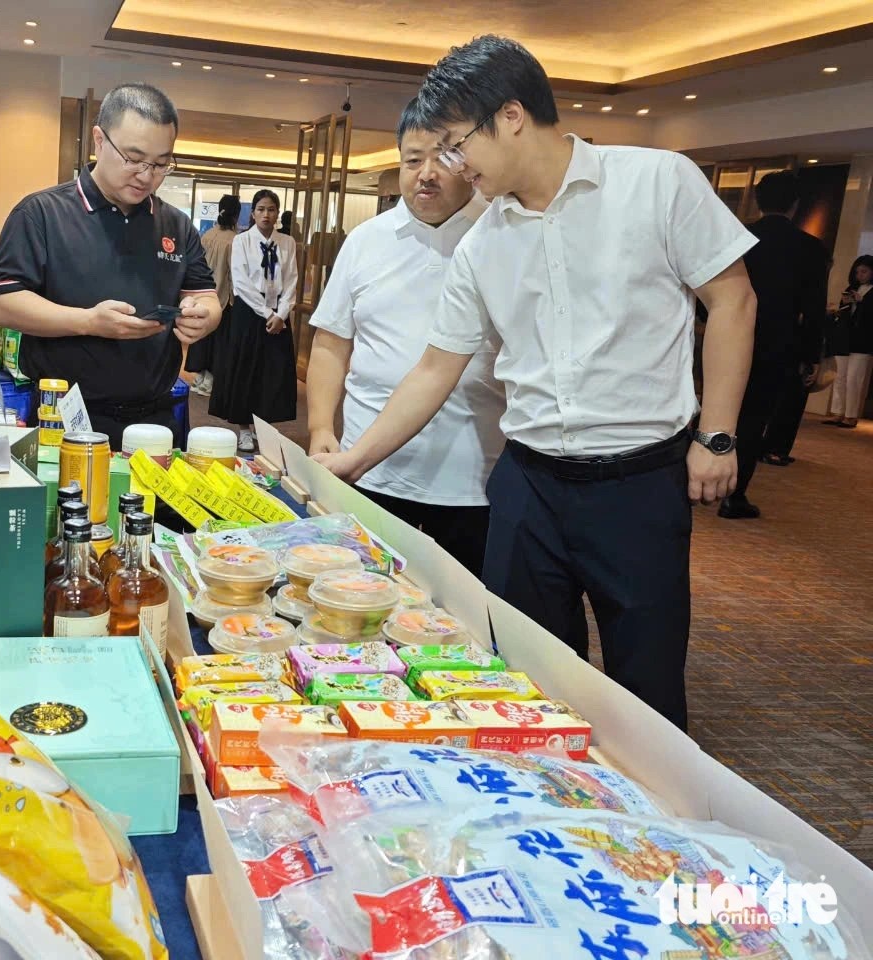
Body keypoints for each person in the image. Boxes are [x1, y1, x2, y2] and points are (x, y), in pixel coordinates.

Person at [314, 35, 758, 731]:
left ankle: (651, 832)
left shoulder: (656, 182)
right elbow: (435, 369)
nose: (454, 166)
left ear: (512, 116)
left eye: (459, 144)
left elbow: (732, 299)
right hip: (526, 486)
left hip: (637, 485)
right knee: (525, 676)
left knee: (645, 685)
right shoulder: (483, 242)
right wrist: (349, 461)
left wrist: (719, 435)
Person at [307, 98, 504, 577]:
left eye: (444, 158)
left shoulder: (501, 234)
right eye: (413, 160)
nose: (426, 174)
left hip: (473, 482)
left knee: (464, 627)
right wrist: (320, 429)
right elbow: (331, 345)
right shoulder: (366, 240)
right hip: (369, 471)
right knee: (358, 604)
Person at [0, 83, 221, 449]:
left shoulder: (175, 225)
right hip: (64, 417)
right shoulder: (41, 214)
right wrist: (88, 322)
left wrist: (202, 316)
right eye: (133, 158)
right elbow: (2, 304)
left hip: (155, 420)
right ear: (99, 139)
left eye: (160, 164)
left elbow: (206, 297)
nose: (146, 175)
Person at [719, 171, 828, 518]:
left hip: (726, 336)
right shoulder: (810, 249)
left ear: (758, 201)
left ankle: (690, 481)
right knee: (753, 418)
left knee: (715, 409)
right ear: (795, 205)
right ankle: (734, 495)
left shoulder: (735, 237)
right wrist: (811, 355)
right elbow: (813, 309)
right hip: (776, 344)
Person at [208, 189, 298, 452]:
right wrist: (266, 312)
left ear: (277, 213)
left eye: (271, 209)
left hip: (279, 314)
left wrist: (281, 313)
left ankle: (265, 427)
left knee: (273, 373)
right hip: (249, 312)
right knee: (245, 370)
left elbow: (291, 278)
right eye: (261, 209)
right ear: (253, 213)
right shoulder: (242, 241)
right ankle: (244, 429)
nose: (266, 214)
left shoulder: (287, 242)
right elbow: (241, 281)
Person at [186, 194, 239, 397]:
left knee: (203, 338)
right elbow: (234, 273)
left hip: (202, 295)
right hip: (223, 298)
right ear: (237, 214)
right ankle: (210, 380)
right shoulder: (234, 240)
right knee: (219, 341)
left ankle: (200, 377)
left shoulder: (206, 235)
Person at [825, 255, 873, 428]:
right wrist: (845, 305)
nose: (860, 275)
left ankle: (851, 416)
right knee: (840, 377)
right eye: (857, 271)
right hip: (845, 338)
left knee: (854, 378)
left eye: (864, 271)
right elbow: (844, 314)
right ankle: (837, 412)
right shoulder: (851, 288)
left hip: (863, 341)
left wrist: (862, 303)